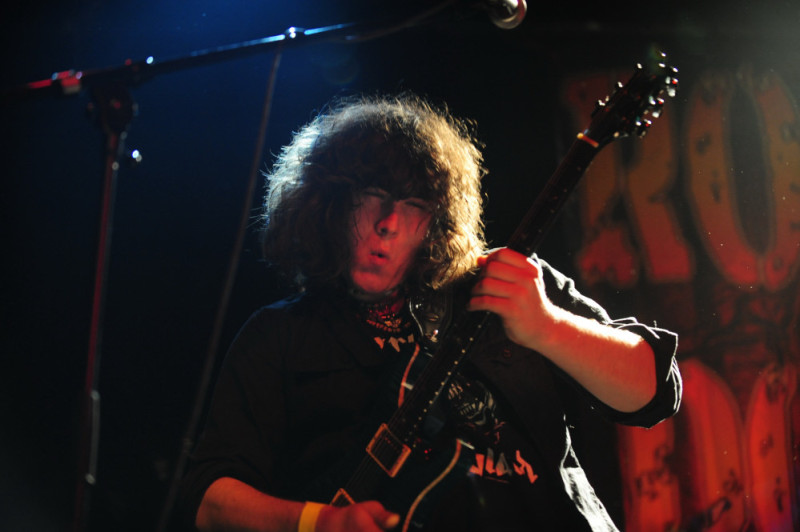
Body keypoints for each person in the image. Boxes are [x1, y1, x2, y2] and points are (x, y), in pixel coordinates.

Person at [176, 93, 681, 531]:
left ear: (437, 221)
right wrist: (317, 522)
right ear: (329, 204)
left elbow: (653, 392)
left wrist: (548, 326)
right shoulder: (279, 336)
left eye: (414, 204)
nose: (389, 222)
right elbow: (208, 501)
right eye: (372, 195)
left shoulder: (510, 284)